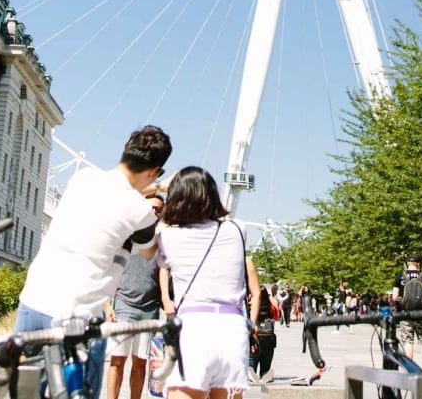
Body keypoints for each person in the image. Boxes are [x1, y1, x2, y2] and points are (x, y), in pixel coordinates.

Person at [16, 126, 171, 396]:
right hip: (77, 318)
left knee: (27, 393)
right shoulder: (139, 210)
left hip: (33, 303)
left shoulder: (83, 178)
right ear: (152, 171)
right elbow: (149, 252)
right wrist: (159, 189)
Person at [156, 166, 257, 398]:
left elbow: (131, 201)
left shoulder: (168, 235)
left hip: (194, 327)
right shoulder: (238, 229)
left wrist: (159, 187)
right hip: (232, 330)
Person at [106, 248, 163, 399]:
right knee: (117, 361)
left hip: (149, 309)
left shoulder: (160, 240)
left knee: (140, 363)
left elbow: (164, 272)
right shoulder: (127, 236)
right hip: (124, 305)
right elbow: (110, 268)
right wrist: (107, 304)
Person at [250, 283, 277, 383]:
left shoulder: (251, 306)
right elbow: (276, 315)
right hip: (268, 336)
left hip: (255, 335)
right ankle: (264, 374)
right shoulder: (270, 307)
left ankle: (251, 372)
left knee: (252, 359)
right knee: (266, 360)